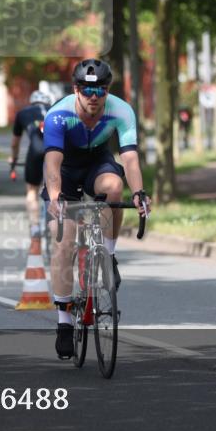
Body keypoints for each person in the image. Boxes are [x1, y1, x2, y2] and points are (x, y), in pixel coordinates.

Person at [43, 59, 150, 359]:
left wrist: (139, 192)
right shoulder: (58, 115)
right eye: (87, 89)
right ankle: (64, 322)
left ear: (107, 90)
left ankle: (108, 254)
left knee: (115, 188)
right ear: (76, 89)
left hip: (97, 163)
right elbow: (51, 163)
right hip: (64, 169)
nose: (94, 96)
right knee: (64, 242)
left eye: (100, 90)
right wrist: (55, 197)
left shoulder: (121, 111)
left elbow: (129, 158)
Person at [10, 90, 53, 239]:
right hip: (55, 152)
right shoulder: (56, 110)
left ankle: (34, 226)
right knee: (58, 189)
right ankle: (59, 221)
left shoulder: (23, 113)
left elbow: (15, 143)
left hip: (35, 151)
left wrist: (14, 159)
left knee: (32, 191)